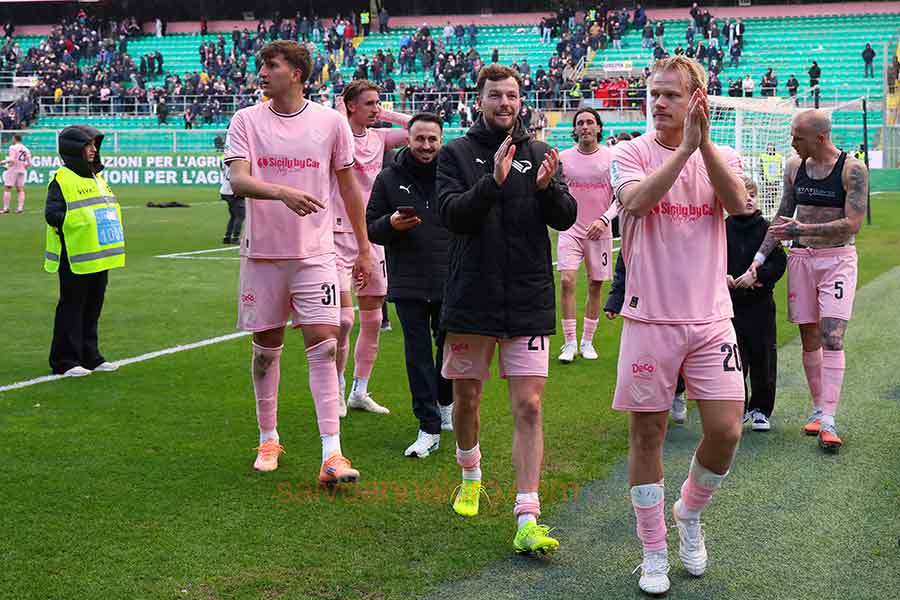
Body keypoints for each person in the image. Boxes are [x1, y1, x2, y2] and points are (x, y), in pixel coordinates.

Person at [610, 56, 748, 595]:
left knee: (726, 430)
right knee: (647, 434)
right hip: (650, 317)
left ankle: (689, 510)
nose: (659, 102)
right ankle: (653, 550)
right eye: (655, 93)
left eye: (671, 94)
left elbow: (739, 205)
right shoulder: (629, 152)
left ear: (696, 100)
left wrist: (702, 146)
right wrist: (684, 150)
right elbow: (637, 203)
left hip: (711, 318)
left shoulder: (723, 155)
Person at [436, 64, 576, 554]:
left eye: (512, 95)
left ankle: (527, 515)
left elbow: (566, 217)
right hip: (471, 297)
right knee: (467, 399)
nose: (504, 103)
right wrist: (491, 183)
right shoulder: (455, 153)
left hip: (527, 296)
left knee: (530, 406)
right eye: (495, 95)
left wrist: (548, 189)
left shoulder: (539, 153)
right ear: (480, 100)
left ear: (521, 100)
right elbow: (451, 215)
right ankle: (470, 474)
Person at [224, 41, 373, 482]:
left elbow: (349, 189)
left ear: (296, 73)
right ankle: (268, 437)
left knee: (325, 346)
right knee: (266, 351)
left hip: (316, 254)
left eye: (271, 65)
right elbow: (238, 180)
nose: (262, 72)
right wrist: (282, 192)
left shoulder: (330, 122)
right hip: (263, 255)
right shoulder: (245, 120)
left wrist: (364, 247)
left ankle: (333, 454)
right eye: (261, 65)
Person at [749, 109, 868, 452]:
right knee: (809, 335)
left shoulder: (852, 169)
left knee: (833, 336)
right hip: (802, 259)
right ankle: (818, 409)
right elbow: (783, 216)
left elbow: (853, 224)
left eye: (797, 137)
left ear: (820, 137)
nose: (792, 143)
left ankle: (829, 419)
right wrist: (758, 260)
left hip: (837, 259)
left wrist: (803, 229)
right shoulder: (793, 167)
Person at [366, 112, 453, 458]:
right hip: (408, 282)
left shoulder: (453, 174)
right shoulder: (388, 178)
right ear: (409, 140)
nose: (426, 146)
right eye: (420, 139)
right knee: (417, 356)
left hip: (450, 278)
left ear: (441, 141)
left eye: (432, 139)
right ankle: (428, 426)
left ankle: (445, 402)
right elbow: (372, 227)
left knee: (449, 350)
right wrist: (391, 223)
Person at [333, 80, 411, 415]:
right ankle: (335, 388)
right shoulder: (336, 135)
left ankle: (359, 391)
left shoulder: (379, 138)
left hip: (373, 235)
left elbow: (416, 127)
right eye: (369, 103)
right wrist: (340, 112)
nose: (376, 108)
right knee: (342, 321)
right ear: (350, 105)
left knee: (372, 319)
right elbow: (335, 131)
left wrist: (384, 113)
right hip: (337, 235)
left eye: (378, 102)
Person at [45, 125, 123, 377]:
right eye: (88, 145)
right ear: (73, 148)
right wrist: (83, 224)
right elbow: (53, 214)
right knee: (72, 307)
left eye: (94, 145)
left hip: (99, 255)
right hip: (74, 254)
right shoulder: (62, 179)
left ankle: (91, 356)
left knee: (92, 307)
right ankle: (65, 360)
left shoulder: (96, 178)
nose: (93, 150)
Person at [557, 107, 617, 363]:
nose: (584, 127)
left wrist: (604, 219)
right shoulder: (563, 158)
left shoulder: (612, 158)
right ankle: (570, 342)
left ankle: (587, 341)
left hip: (599, 230)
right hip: (570, 229)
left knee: (595, 285)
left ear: (598, 127)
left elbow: (622, 196)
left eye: (589, 122)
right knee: (567, 280)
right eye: (580, 122)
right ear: (575, 129)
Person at [727, 176, 787, 431]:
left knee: (763, 357)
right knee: (735, 359)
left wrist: (758, 276)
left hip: (760, 306)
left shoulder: (767, 229)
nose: (749, 199)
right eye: (743, 194)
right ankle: (738, 408)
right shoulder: (722, 228)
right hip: (730, 307)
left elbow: (779, 262)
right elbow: (711, 259)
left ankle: (761, 409)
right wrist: (723, 276)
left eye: (752, 194)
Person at [219, 148, 244, 244]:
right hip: (233, 191)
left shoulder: (226, 158)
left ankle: (227, 236)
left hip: (225, 190)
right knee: (240, 215)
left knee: (234, 215)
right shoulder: (239, 161)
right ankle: (235, 237)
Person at [2, 134, 32, 214]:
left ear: (15, 139)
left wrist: (3, 162)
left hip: (13, 169)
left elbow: (12, 159)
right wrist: (23, 167)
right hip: (22, 170)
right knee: (20, 189)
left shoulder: (13, 147)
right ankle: (20, 208)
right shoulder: (26, 149)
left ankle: (6, 208)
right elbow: (29, 163)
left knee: (8, 187)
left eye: (13, 138)